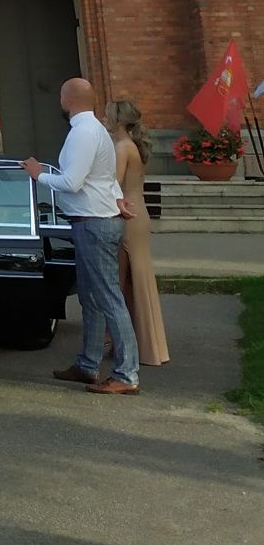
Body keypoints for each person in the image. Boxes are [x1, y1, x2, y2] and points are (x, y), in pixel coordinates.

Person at [24, 77, 139, 394]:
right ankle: (88, 365)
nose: (59, 101)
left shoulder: (83, 133)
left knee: (108, 297)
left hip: (94, 223)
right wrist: (117, 198)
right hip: (96, 218)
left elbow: (73, 182)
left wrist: (39, 175)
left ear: (68, 100)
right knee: (91, 297)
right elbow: (103, 177)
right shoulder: (95, 131)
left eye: (61, 95)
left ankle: (127, 375)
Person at [108, 97, 169, 367]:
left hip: (128, 215)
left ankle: (127, 344)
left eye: (108, 114)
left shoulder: (122, 147)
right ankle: (145, 344)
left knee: (122, 280)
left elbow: (113, 184)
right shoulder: (133, 146)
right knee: (137, 279)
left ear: (117, 120)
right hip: (138, 212)